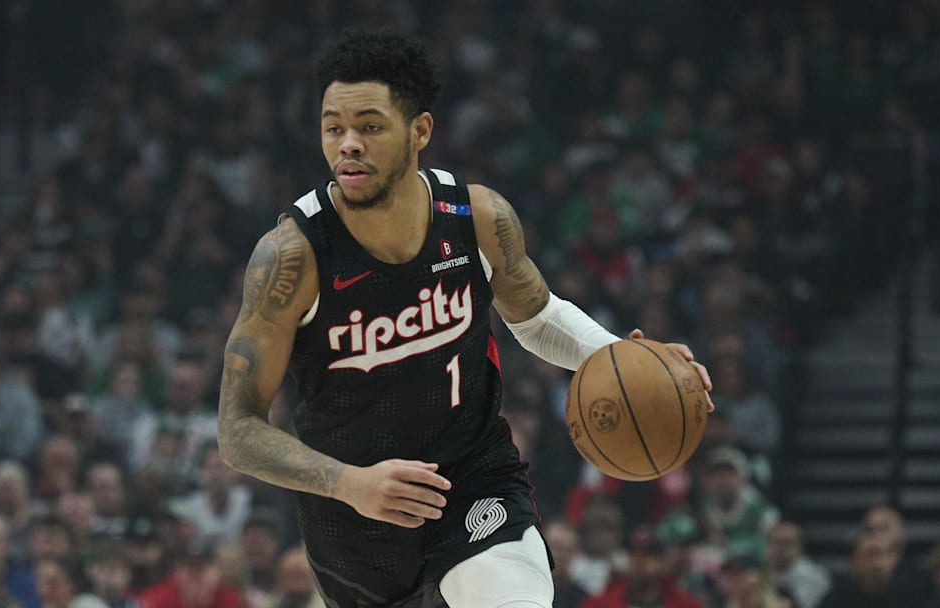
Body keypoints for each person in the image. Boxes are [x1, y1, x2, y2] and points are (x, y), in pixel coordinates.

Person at [216, 30, 714, 608]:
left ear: (420, 130)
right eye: (334, 128)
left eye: (370, 127)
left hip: (473, 478)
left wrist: (626, 360)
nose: (348, 144)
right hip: (353, 519)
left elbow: (537, 316)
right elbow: (237, 431)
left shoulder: (474, 216)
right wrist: (349, 483)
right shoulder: (292, 257)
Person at [764, 521, 830, 608]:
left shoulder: (813, 576)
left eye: (786, 543)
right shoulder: (760, 570)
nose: (780, 548)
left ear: (800, 547)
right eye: (775, 542)